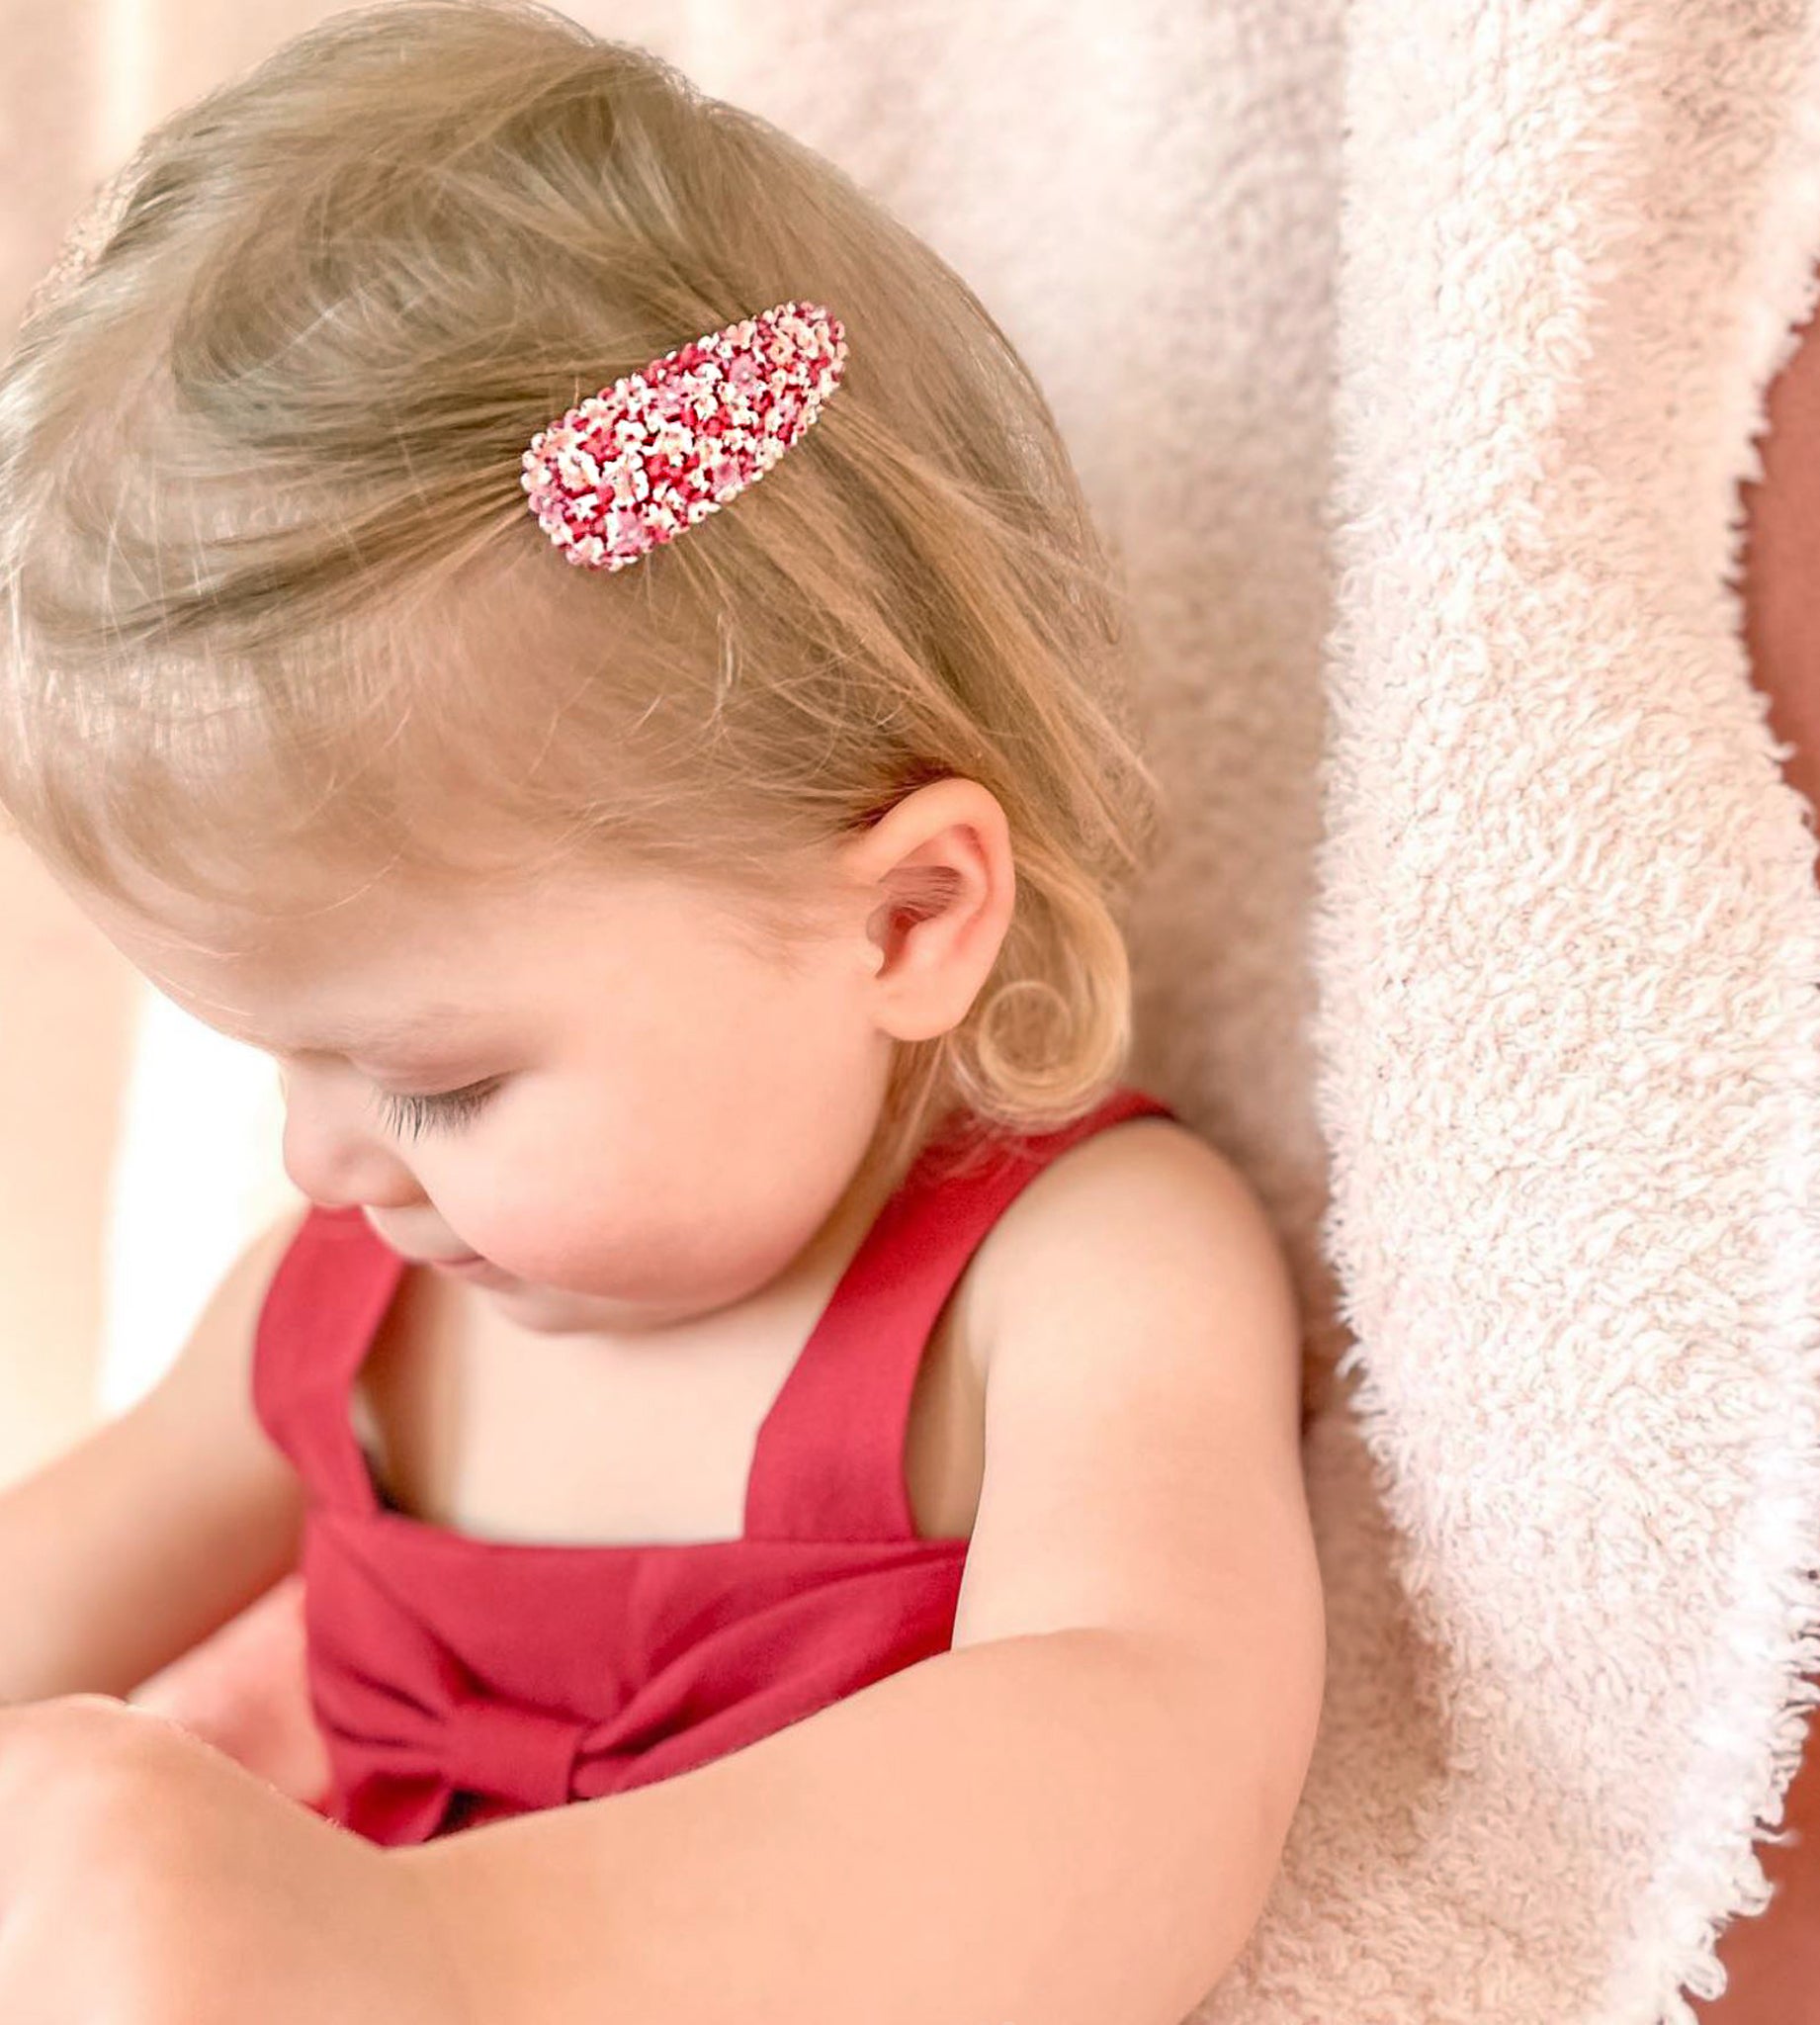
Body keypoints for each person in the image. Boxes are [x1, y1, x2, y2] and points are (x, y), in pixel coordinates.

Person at [0, 4, 1326, 2020]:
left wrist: (434, 1951)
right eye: (272, 1053)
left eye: (434, 1077)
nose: (318, 1158)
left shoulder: (1065, 1281)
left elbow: (1156, 1743)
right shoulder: (346, 1312)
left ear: (902, 920)